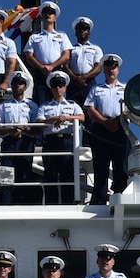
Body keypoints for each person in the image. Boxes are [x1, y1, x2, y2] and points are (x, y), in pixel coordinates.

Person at [82, 55, 127, 204]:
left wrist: (117, 121)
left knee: (121, 168)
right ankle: (99, 201)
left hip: (120, 129)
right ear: (104, 70)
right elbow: (90, 108)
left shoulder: (126, 89)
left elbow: (131, 109)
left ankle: (120, 198)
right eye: (107, 67)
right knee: (100, 167)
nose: (110, 70)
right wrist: (105, 122)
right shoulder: (96, 89)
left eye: (113, 67)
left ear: (118, 70)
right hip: (101, 130)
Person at [38, 71, 83, 204]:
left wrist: (66, 117)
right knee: (50, 174)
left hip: (67, 141)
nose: (58, 88)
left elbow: (82, 117)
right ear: (51, 88)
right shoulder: (44, 106)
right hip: (50, 142)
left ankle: (68, 203)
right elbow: (39, 123)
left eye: (61, 85)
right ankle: (51, 204)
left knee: (67, 173)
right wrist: (55, 119)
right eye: (55, 86)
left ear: (65, 88)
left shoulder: (72, 105)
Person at [0, 73, 39, 204]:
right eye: (14, 83)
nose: (17, 86)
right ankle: (6, 203)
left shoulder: (33, 105)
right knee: (6, 174)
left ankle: (23, 204)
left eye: (20, 83)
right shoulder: (4, 105)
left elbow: (37, 129)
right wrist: (9, 130)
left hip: (25, 142)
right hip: (9, 142)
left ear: (25, 87)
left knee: (25, 174)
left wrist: (24, 128)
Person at [22, 1, 71, 88]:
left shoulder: (62, 36)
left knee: (57, 99)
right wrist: (42, 67)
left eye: (51, 13)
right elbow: (29, 56)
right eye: (45, 13)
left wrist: (52, 66)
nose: (48, 15)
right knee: (41, 98)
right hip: (40, 73)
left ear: (55, 18)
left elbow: (66, 55)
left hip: (57, 71)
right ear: (41, 17)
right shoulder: (34, 37)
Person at [66, 15, 103, 103]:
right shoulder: (70, 49)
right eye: (79, 28)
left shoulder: (96, 48)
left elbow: (98, 67)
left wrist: (84, 77)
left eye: (85, 28)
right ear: (76, 32)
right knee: (72, 111)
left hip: (89, 82)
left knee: (90, 110)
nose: (82, 31)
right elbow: (65, 66)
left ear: (89, 32)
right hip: (73, 83)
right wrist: (76, 78)